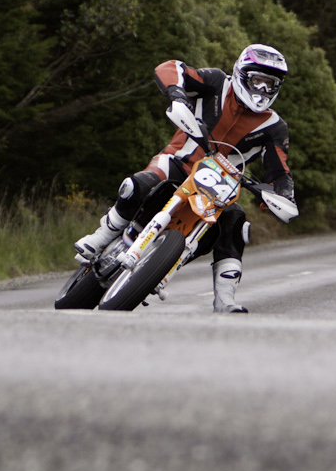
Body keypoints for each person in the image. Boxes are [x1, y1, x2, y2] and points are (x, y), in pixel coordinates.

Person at [75, 44, 294, 313]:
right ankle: (101, 236)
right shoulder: (215, 82)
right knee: (137, 185)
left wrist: (280, 195)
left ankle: (225, 299)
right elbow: (170, 68)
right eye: (256, 80)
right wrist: (177, 95)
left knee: (237, 223)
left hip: (219, 189)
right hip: (177, 163)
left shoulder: (274, 126)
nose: (261, 89)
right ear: (241, 73)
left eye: (268, 84)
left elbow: (279, 171)